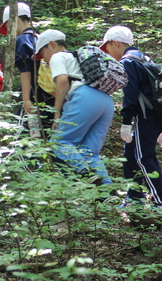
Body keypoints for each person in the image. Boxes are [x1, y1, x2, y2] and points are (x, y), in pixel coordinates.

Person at [100, 25, 162, 207]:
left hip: (145, 116)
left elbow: (131, 95)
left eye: (107, 48)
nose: (107, 53)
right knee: (131, 154)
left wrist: (126, 121)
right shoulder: (143, 58)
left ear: (115, 43)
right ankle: (134, 198)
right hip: (153, 115)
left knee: (144, 157)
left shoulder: (128, 62)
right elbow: (154, 92)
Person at [34, 29, 113, 184]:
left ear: (51, 44)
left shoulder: (58, 57)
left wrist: (56, 115)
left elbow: (62, 82)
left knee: (58, 141)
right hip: (106, 101)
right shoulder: (78, 57)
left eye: (42, 53)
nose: (43, 59)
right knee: (90, 152)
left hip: (85, 97)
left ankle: (85, 173)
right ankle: (107, 193)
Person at [0, 2, 54, 132]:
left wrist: (26, 100)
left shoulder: (22, 40)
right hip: (48, 95)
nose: (8, 30)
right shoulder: (39, 38)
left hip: (34, 97)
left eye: (7, 25)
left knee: (24, 136)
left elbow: (25, 71)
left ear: (14, 19)